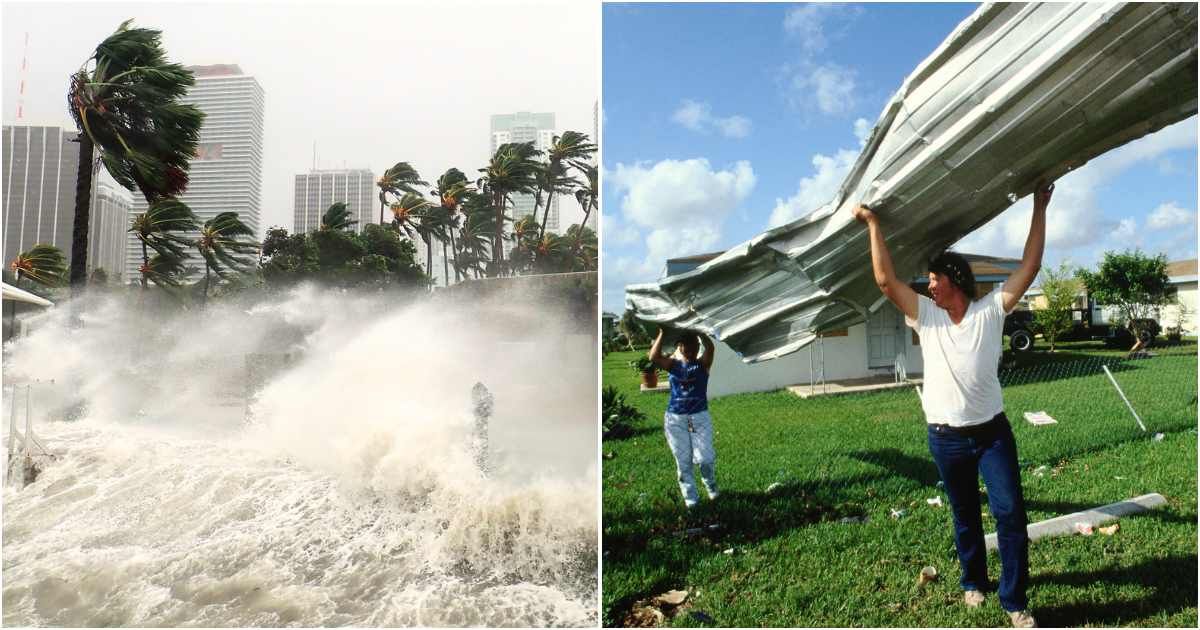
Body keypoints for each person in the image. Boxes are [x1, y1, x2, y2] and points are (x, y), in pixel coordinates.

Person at [852, 181, 1054, 629]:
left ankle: (1014, 600)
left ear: (955, 280)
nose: (929, 286)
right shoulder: (926, 315)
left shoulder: (991, 311)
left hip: (992, 435)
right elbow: (885, 281)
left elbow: (1030, 265)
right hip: (945, 438)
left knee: (1010, 514)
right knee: (965, 514)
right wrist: (872, 224)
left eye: (934, 279)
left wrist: (1039, 206)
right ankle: (973, 581)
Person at [649, 328, 718, 510]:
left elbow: (711, 348)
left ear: (698, 347)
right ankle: (691, 500)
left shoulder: (702, 365)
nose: (690, 349)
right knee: (683, 462)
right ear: (680, 347)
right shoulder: (673, 365)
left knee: (706, 459)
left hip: (700, 418)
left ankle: (710, 486)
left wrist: (701, 332)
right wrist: (662, 333)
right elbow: (653, 357)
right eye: (686, 346)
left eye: (694, 346)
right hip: (675, 419)